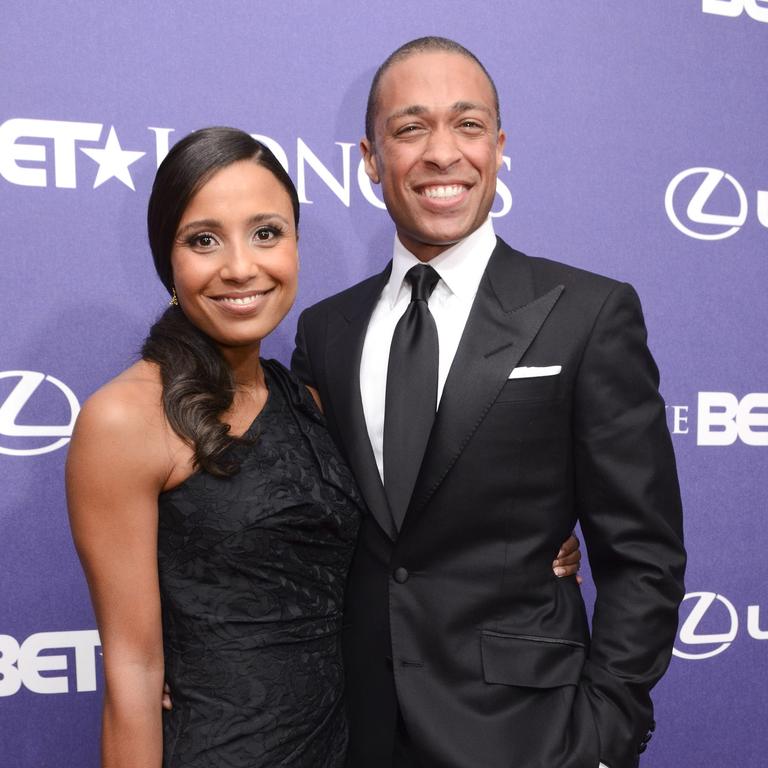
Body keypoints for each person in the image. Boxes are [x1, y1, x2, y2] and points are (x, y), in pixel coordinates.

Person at [67, 126, 580, 767]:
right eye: (203, 240)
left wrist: (526, 541)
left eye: (266, 233)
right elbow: (135, 673)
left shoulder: (308, 397)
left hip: (346, 746)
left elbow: (401, 533)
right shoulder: (125, 418)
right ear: (167, 261)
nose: (240, 266)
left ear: (295, 245)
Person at [291, 37, 686, 768]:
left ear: (499, 147)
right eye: (411, 129)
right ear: (370, 159)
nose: (443, 154)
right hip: (359, 733)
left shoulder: (587, 313)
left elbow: (643, 554)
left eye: (468, 125)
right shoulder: (326, 331)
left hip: (530, 734)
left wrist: (605, 732)